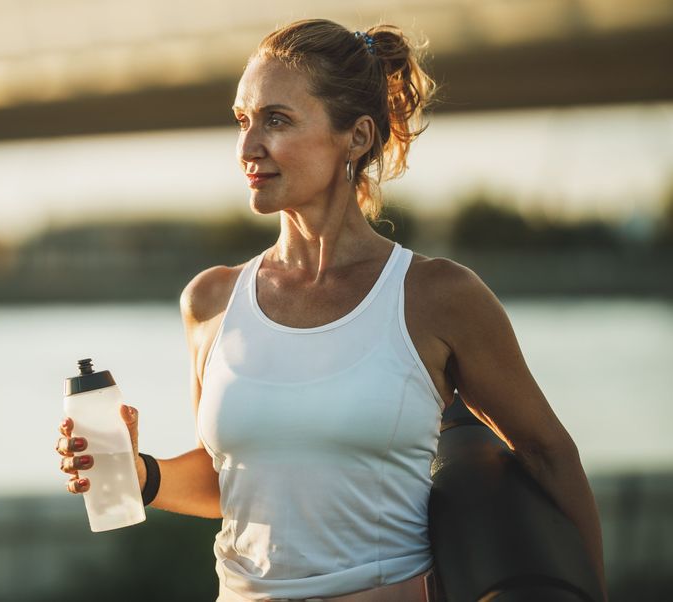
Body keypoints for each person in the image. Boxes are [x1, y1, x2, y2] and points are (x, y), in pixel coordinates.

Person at [56, 18, 607, 602]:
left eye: (277, 120)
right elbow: (236, 481)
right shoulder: (212, 301)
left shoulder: (437, 297)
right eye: (243, 120)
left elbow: (550, 455)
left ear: (358, 137)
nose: (247, 147)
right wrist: (140, 474)